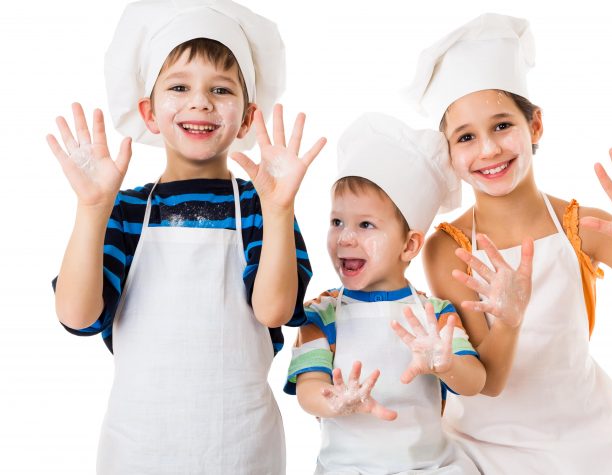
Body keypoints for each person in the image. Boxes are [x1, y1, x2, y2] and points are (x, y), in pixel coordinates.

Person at [405, 13, 612, 475]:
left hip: (588, 443)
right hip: (483, 447)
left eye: (502, 126)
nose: (489, 149)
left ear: (535, 127)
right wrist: (509, 319)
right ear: (449, 154)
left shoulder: (582, 226)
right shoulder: (446, 248)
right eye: (466, 137)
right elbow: (487, 381)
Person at [47, 1, 325, 473]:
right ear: (149, 113)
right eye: (179, 87)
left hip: (241, 449)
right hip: (139, 449)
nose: (200, 102)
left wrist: (280, 211)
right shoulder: (126, 209)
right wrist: (93, 210)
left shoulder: (263, 207)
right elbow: (77, 317)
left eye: (221, 89)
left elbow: (273, 311)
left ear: (245, 119)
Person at [284, 113, 508, 474]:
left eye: (365, 224)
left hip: (431, 467)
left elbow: (474, 382)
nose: (345, 237)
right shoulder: (321, 313)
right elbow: (310, 388)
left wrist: (446, 363)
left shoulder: (436, 315)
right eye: (337, 221)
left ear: (409, 244)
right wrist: (335, 401)